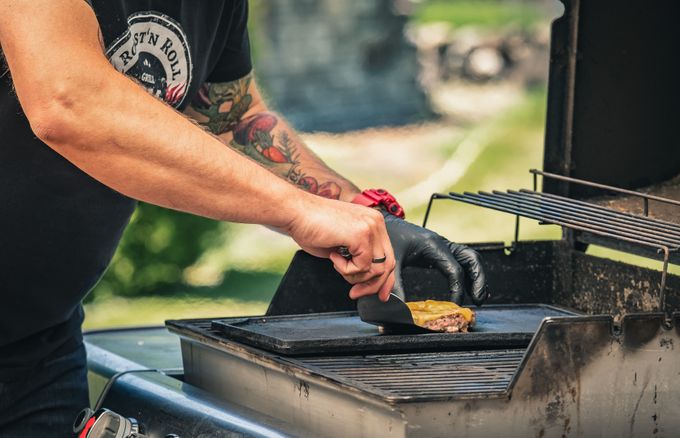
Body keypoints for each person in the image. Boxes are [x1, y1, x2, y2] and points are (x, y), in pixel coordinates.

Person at [0, 0, 487, 435]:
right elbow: (68, 99)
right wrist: (298, 212)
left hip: (38, 345)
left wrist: (359, 212)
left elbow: (230, 118)